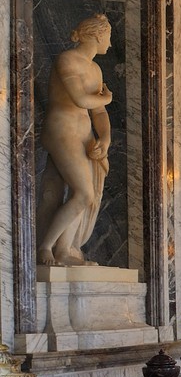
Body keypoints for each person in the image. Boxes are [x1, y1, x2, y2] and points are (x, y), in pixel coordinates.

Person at [37, 14, 114, 266]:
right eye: (109, 37)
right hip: (62, 130)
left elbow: (98, 113)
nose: (110, 43)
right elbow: (80, 99)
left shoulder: (95, 69)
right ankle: (45, 247)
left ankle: (64, 250)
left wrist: (105, 138)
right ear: (97, 36)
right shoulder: (67, 60)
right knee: (83, 193)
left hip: (83, 134)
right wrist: (107, 98)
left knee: (82, 194)